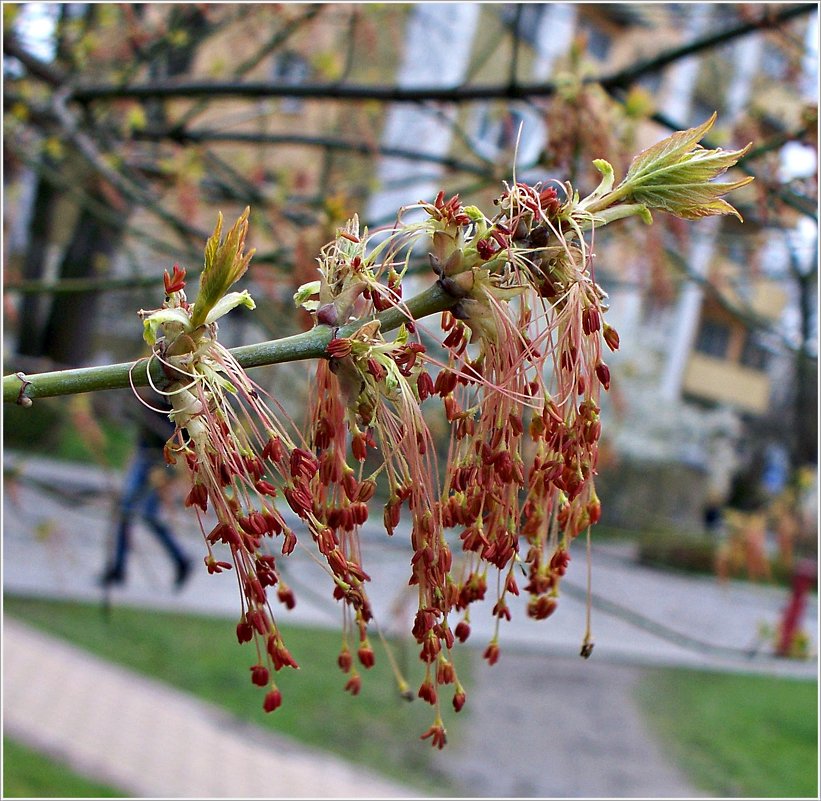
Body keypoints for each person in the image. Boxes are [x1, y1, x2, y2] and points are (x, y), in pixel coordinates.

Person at [100, 394, 191, 590]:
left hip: (162, 461)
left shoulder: (177, 399)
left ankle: (181, 559)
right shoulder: (148, 395)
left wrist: (174, 469)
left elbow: (183, 439)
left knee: (147, 514)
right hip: (144, 457)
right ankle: (118, 567)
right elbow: (142, 434)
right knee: (125, 508)